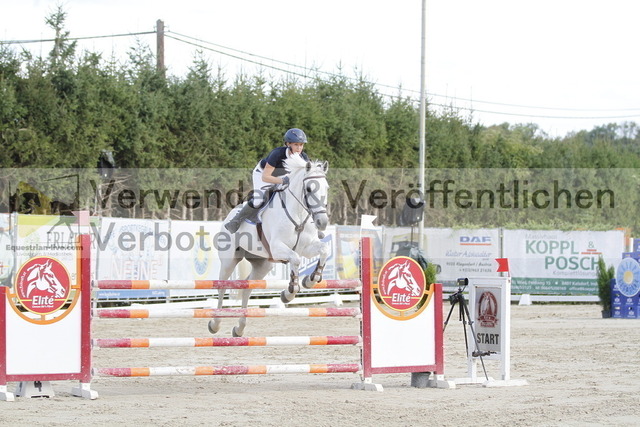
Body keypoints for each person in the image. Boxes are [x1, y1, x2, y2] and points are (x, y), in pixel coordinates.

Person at [224, 128, 310, 233]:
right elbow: (265, 177)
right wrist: (283, 181)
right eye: (296, 145)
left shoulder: (303, 158)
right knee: (259, 200)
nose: (299, 148)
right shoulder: (277, 154)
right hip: (262, 174)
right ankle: (235, 221)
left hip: (283, 177)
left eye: (301, 145)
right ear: (288, 144)